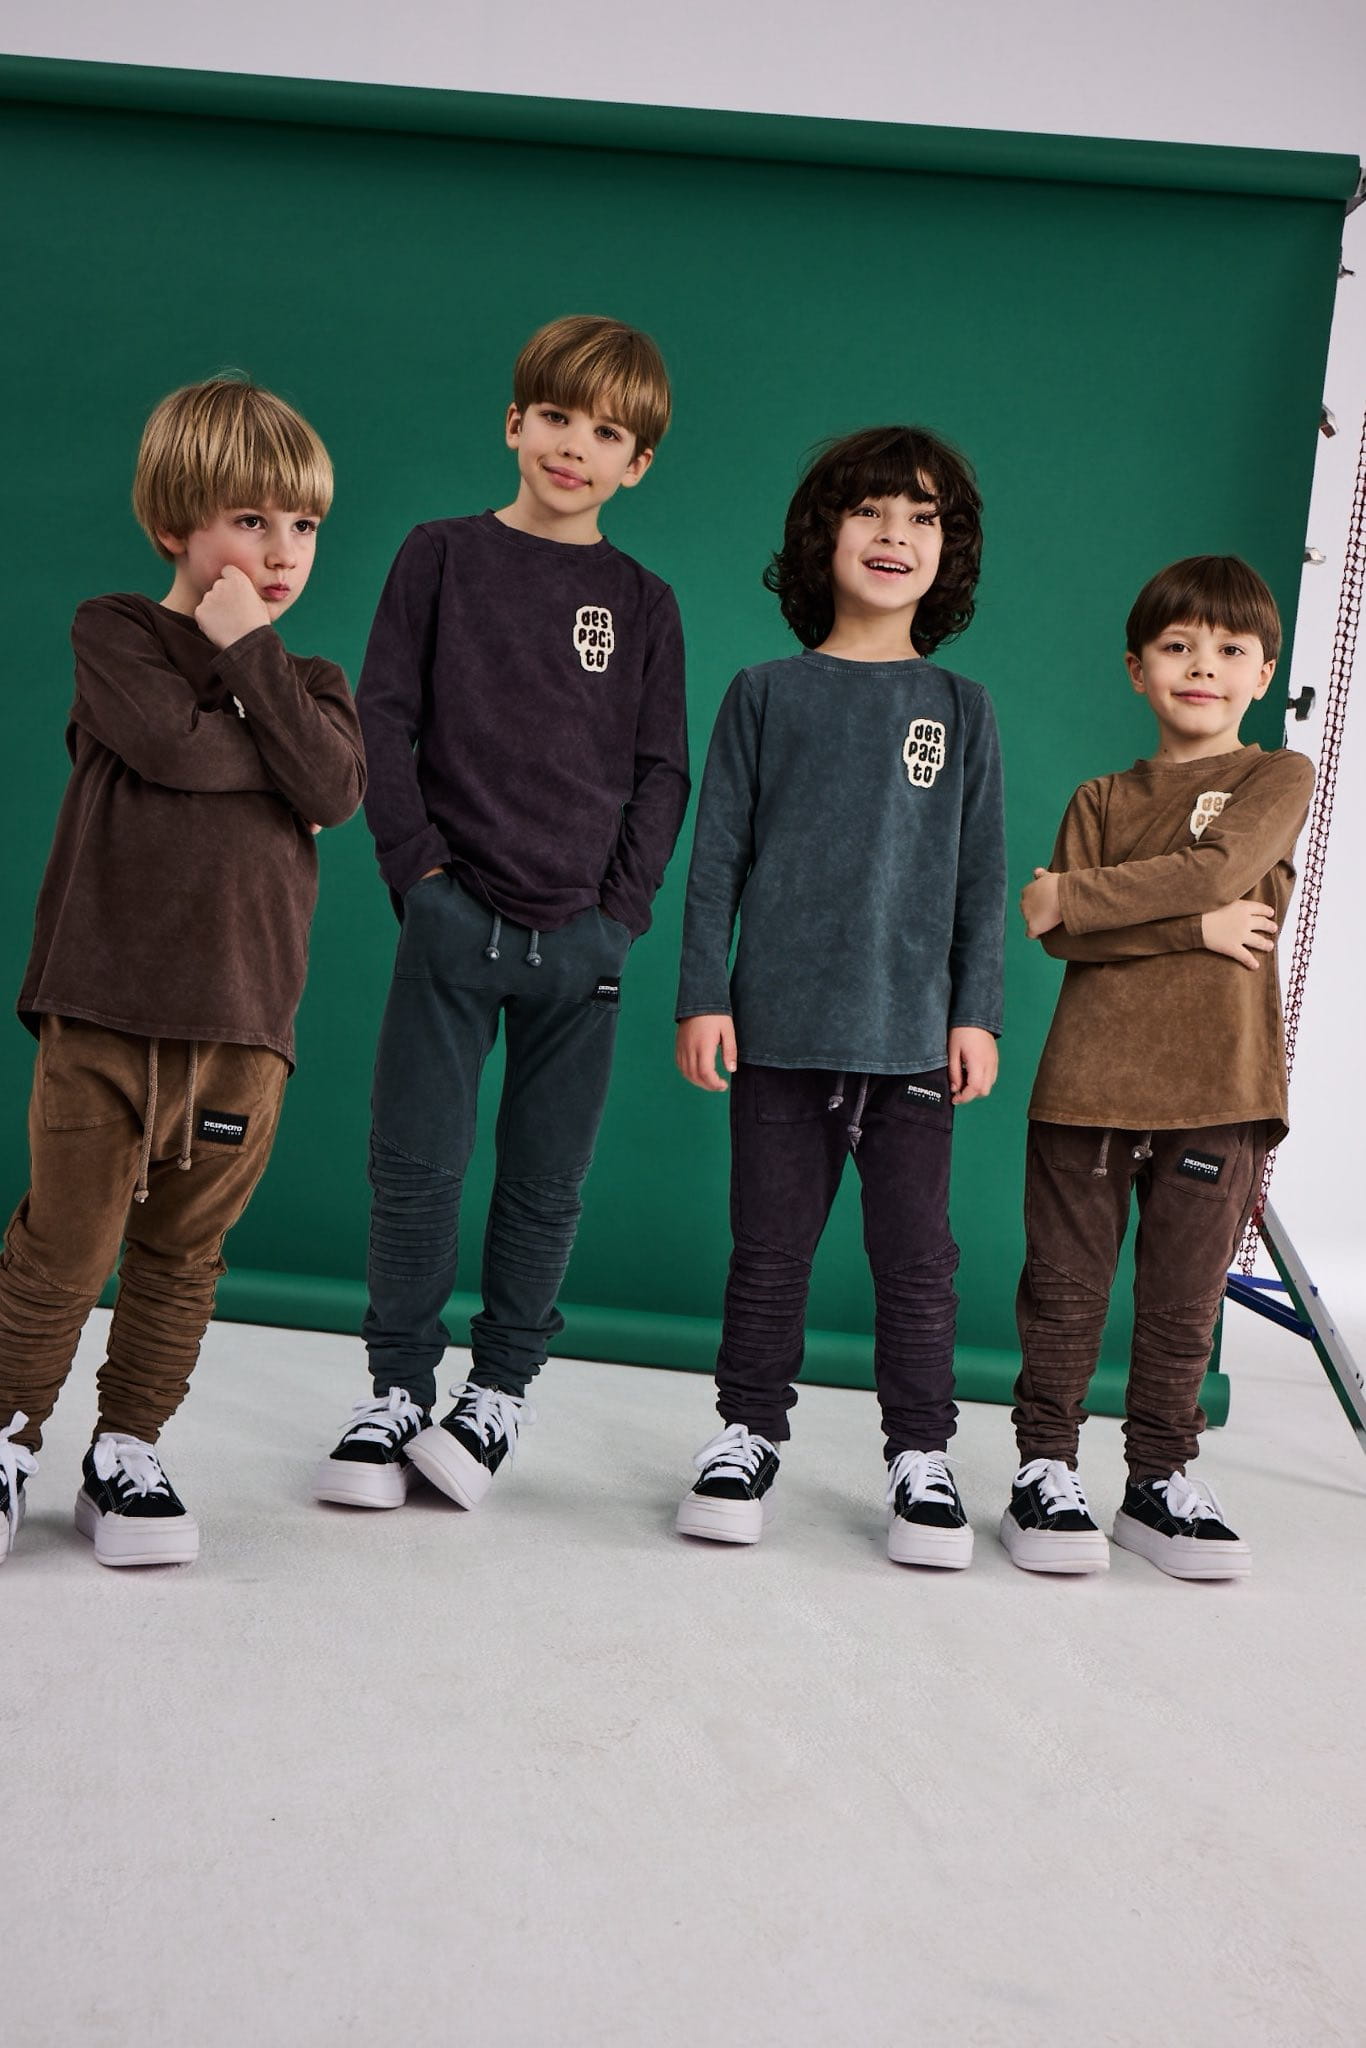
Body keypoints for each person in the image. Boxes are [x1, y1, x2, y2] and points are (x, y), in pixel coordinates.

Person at [316, 315, 688, 1512]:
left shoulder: (642, 602)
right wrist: (418, 879)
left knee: (543, 1178)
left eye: (608, 433)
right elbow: (381, 718)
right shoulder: (439, 555)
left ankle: (499, 1393)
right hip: (452, 921)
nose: (576, 445)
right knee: (415, 1162)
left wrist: (619, 916)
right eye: (558, 416)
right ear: (515, 422)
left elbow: (661, 771)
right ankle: (396, 1389)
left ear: (637, 463)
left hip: (581, 942)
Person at [0, 375, 364, 1568]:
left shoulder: (314, 684)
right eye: (251, 520)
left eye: (303, 524)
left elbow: (335, 785)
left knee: (181, 1255)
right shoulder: (114, 633)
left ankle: (128, 1450)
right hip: (102, 1013)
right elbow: (166, 743)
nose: (282, 549)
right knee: (64, 1247)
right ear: (175, 523)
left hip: (242, 1030)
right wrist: (269, 747)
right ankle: (7, 1433)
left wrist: (255, 657)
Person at [673, 424, 1004, 1567]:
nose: (894, 534)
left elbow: (979, 877)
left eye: (921, 517)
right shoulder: (764, 694)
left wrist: (974, 1011)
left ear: (947, 551)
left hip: (911, 1038)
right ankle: (745, 1432)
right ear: (824, 535)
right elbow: (715, 860)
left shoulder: (960, 707)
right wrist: (702, 994)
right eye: (870, 510)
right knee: (768, 1250)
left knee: (916, 1261)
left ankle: (921, 1453)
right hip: (777, 1029)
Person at [1003, 554, 1314, 1580]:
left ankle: (1159, 1480)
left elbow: (1214, 870)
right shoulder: (1098, 797)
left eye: (1229, 648)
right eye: (1178, 646)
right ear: (1137, 669)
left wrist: (1074, 894)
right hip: (1087, 1084)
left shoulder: (1276, 778)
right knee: (1064, 1292)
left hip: (1219, 1087)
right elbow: (1062, 940)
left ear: (1261, 672)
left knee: (1184, 1301)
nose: (1202, 666)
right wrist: (1194, 927)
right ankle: (1044, 1470)